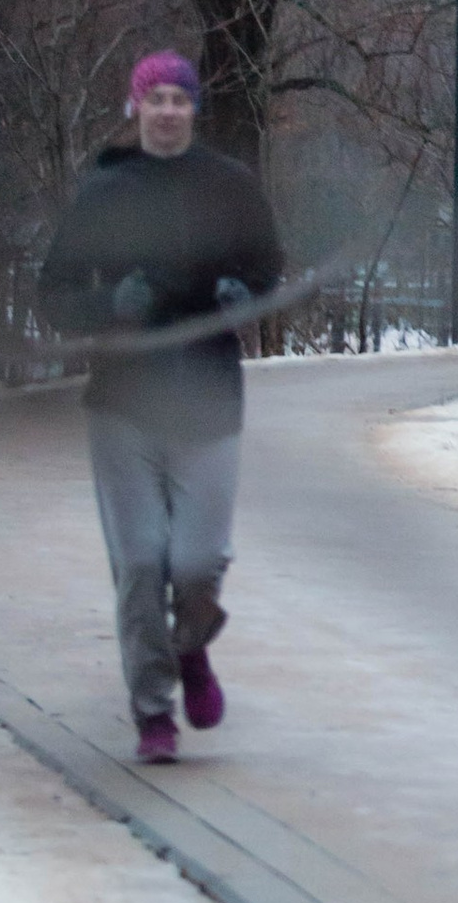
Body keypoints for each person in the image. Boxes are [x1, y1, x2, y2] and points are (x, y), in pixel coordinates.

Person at [38, 53, 284, 766]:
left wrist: (245, 294)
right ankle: (153, 711)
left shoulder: (229, 186)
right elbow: (53, 294)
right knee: (141, 563)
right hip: (123, 401)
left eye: (180, 98)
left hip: (208, 399)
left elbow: (269, 266)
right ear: (136, 107)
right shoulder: (105, 191)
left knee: (199, 562)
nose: (169, 110)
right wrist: (108, 306)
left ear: (194, 109)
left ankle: (192, 645)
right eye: (157, 99)